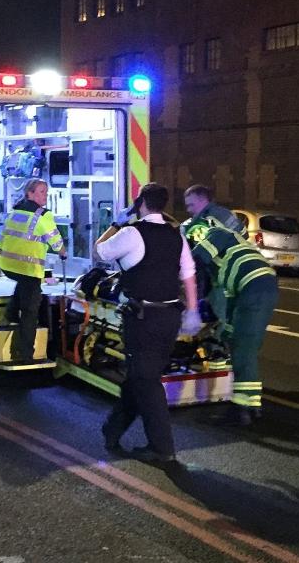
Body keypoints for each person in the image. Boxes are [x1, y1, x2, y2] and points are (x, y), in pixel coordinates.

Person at [96, 183, 203, 464]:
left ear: (140, 202)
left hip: (143, 319)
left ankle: (162, 447)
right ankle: (112, 430)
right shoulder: (175, 235)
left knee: (147, 381)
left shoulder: (132, 232)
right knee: (141, 376)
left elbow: (100, 252)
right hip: (169, 317)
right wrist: (192, 311)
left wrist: (115, 224)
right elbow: (188, 274)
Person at [192, 224, 278, 426]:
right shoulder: (228, 262)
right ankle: (253, 404)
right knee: (244, 343)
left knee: (244, 349)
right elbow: (228, 303)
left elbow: (196, 258)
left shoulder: (217, 233)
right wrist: (225, 331)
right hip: (262, 287)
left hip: (254, 287)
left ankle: (240, 410)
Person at [0, 178, 66, 363]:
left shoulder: (14, 213)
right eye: (41, 192)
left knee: (25, 286)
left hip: (8, 266)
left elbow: (2, 238)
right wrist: (63, 252)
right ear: (30, 194)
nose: (45, 196)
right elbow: (55, 240)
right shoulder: (43, 216)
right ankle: (26, 354)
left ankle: (10, 312)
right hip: (28, 268)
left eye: (46, 192)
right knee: (30, 312)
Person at [180, 184, 245, 246]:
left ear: (203, 200)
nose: (188, 210)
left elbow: (197, 250)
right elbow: (244, 234)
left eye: (191, 205)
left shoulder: (205, 221)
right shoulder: (225, 212)